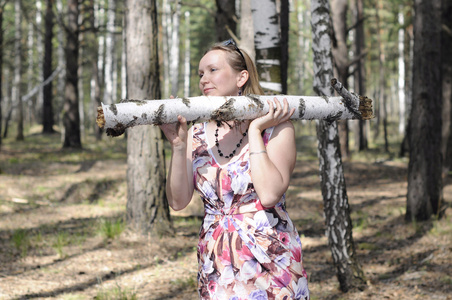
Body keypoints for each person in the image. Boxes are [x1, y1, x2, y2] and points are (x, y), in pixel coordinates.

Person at [160, 39, 310, 300]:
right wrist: (178, 145)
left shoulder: (277, 128)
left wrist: (255, 130)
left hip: (270, 257)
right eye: (200, 74)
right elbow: (177, 201)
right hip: (217, 261)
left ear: (242, 77)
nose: (204, 79)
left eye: (213, 70)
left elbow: (270, 194)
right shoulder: (194, 135)